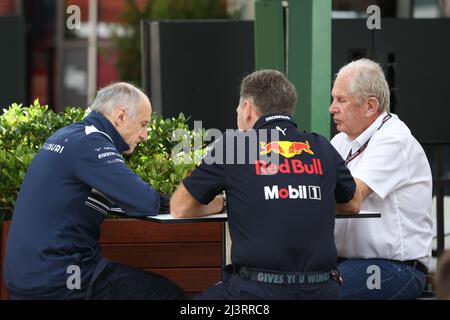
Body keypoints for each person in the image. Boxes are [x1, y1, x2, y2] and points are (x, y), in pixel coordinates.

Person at [170, 70, 357, 299]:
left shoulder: (235, 146)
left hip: (256, 293)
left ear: (248, 108)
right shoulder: (322, 146)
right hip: (321, 290)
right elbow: (351, 204)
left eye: (238, 107)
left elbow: (180, 207)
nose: (237, 113)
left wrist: (219, 204)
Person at [4, 82, 185, 300]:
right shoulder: (91, 143)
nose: (145, 135)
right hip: (62, 281)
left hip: (30, 276)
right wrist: (188, 200)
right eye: (143, 124)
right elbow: (145, 202)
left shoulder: (67, 135)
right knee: (166, 294)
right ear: (120, 116)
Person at [329, 58, 433, 300]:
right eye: (333, 98)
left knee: (321, 294)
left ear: (370, 106)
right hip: (345, 262)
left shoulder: (394, 139)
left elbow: (351, 199)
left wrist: (297, 194)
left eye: (341, 100)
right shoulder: (340, 141)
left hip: (392, 267)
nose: (332, 107)